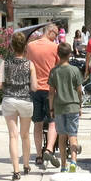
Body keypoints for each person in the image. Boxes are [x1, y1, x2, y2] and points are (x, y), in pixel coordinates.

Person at [0, 31, 33, 179]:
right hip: (25, 101)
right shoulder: (30, 64)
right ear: (25, 47)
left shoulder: (5, 63)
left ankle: (16, 171)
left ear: (11, 46)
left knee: (13, 136)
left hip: (9, 100)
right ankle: (26, 165)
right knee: (25, 135)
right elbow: (34, 86)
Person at [27, 24, 61, 167]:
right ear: (51, 32)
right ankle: (49, 149)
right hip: (50, 90)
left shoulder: (30, 46)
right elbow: (59, 67)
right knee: (53, 121)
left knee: (37, 123)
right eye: (56, 34)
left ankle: (39, 156)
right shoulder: (55, 48)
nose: (57, 37)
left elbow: (28, 65)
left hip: (34, 89)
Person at [48, 43, 84, 172]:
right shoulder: (74, 70)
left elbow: (51, 93)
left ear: (58, 54)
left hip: (59, 108)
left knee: (62, 137)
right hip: (73, 106)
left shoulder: (54, 71)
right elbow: (79, 90)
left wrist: (51, 109)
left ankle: (63, 166)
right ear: (70, 54)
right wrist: (79, 104)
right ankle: (73, 161)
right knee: (73, 135)